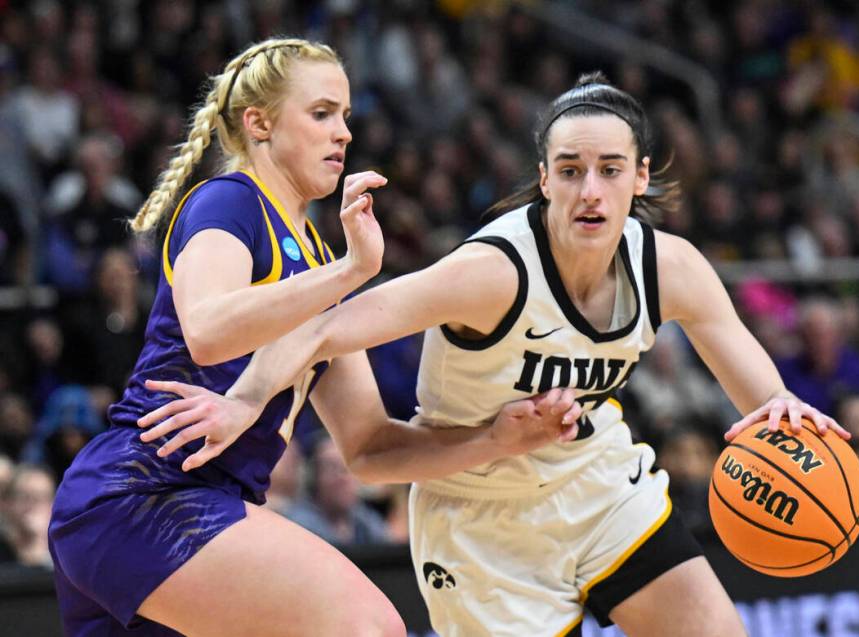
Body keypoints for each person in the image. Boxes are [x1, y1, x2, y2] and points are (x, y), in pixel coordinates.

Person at [140, 73, 849, 637]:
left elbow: (765, 401)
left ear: (640, 178)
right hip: (479, 516)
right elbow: (325, 328)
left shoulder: (673, 268)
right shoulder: (492, 272)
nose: (590, 190)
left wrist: (777, 409)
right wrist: (244, 397)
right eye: (570, 170)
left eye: (609, 169)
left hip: (595, 484)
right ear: (544, 179)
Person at [48, 37, 582, 637]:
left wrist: (496, 439)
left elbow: (371, 448)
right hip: (144, 494)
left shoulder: (322, 262)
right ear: (260, 124)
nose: (344, 133)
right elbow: (207, 329)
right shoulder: (231, 202)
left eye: (346, 116)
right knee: (368, 626)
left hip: (195, 512)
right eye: (323, 113)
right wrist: (350, 272)